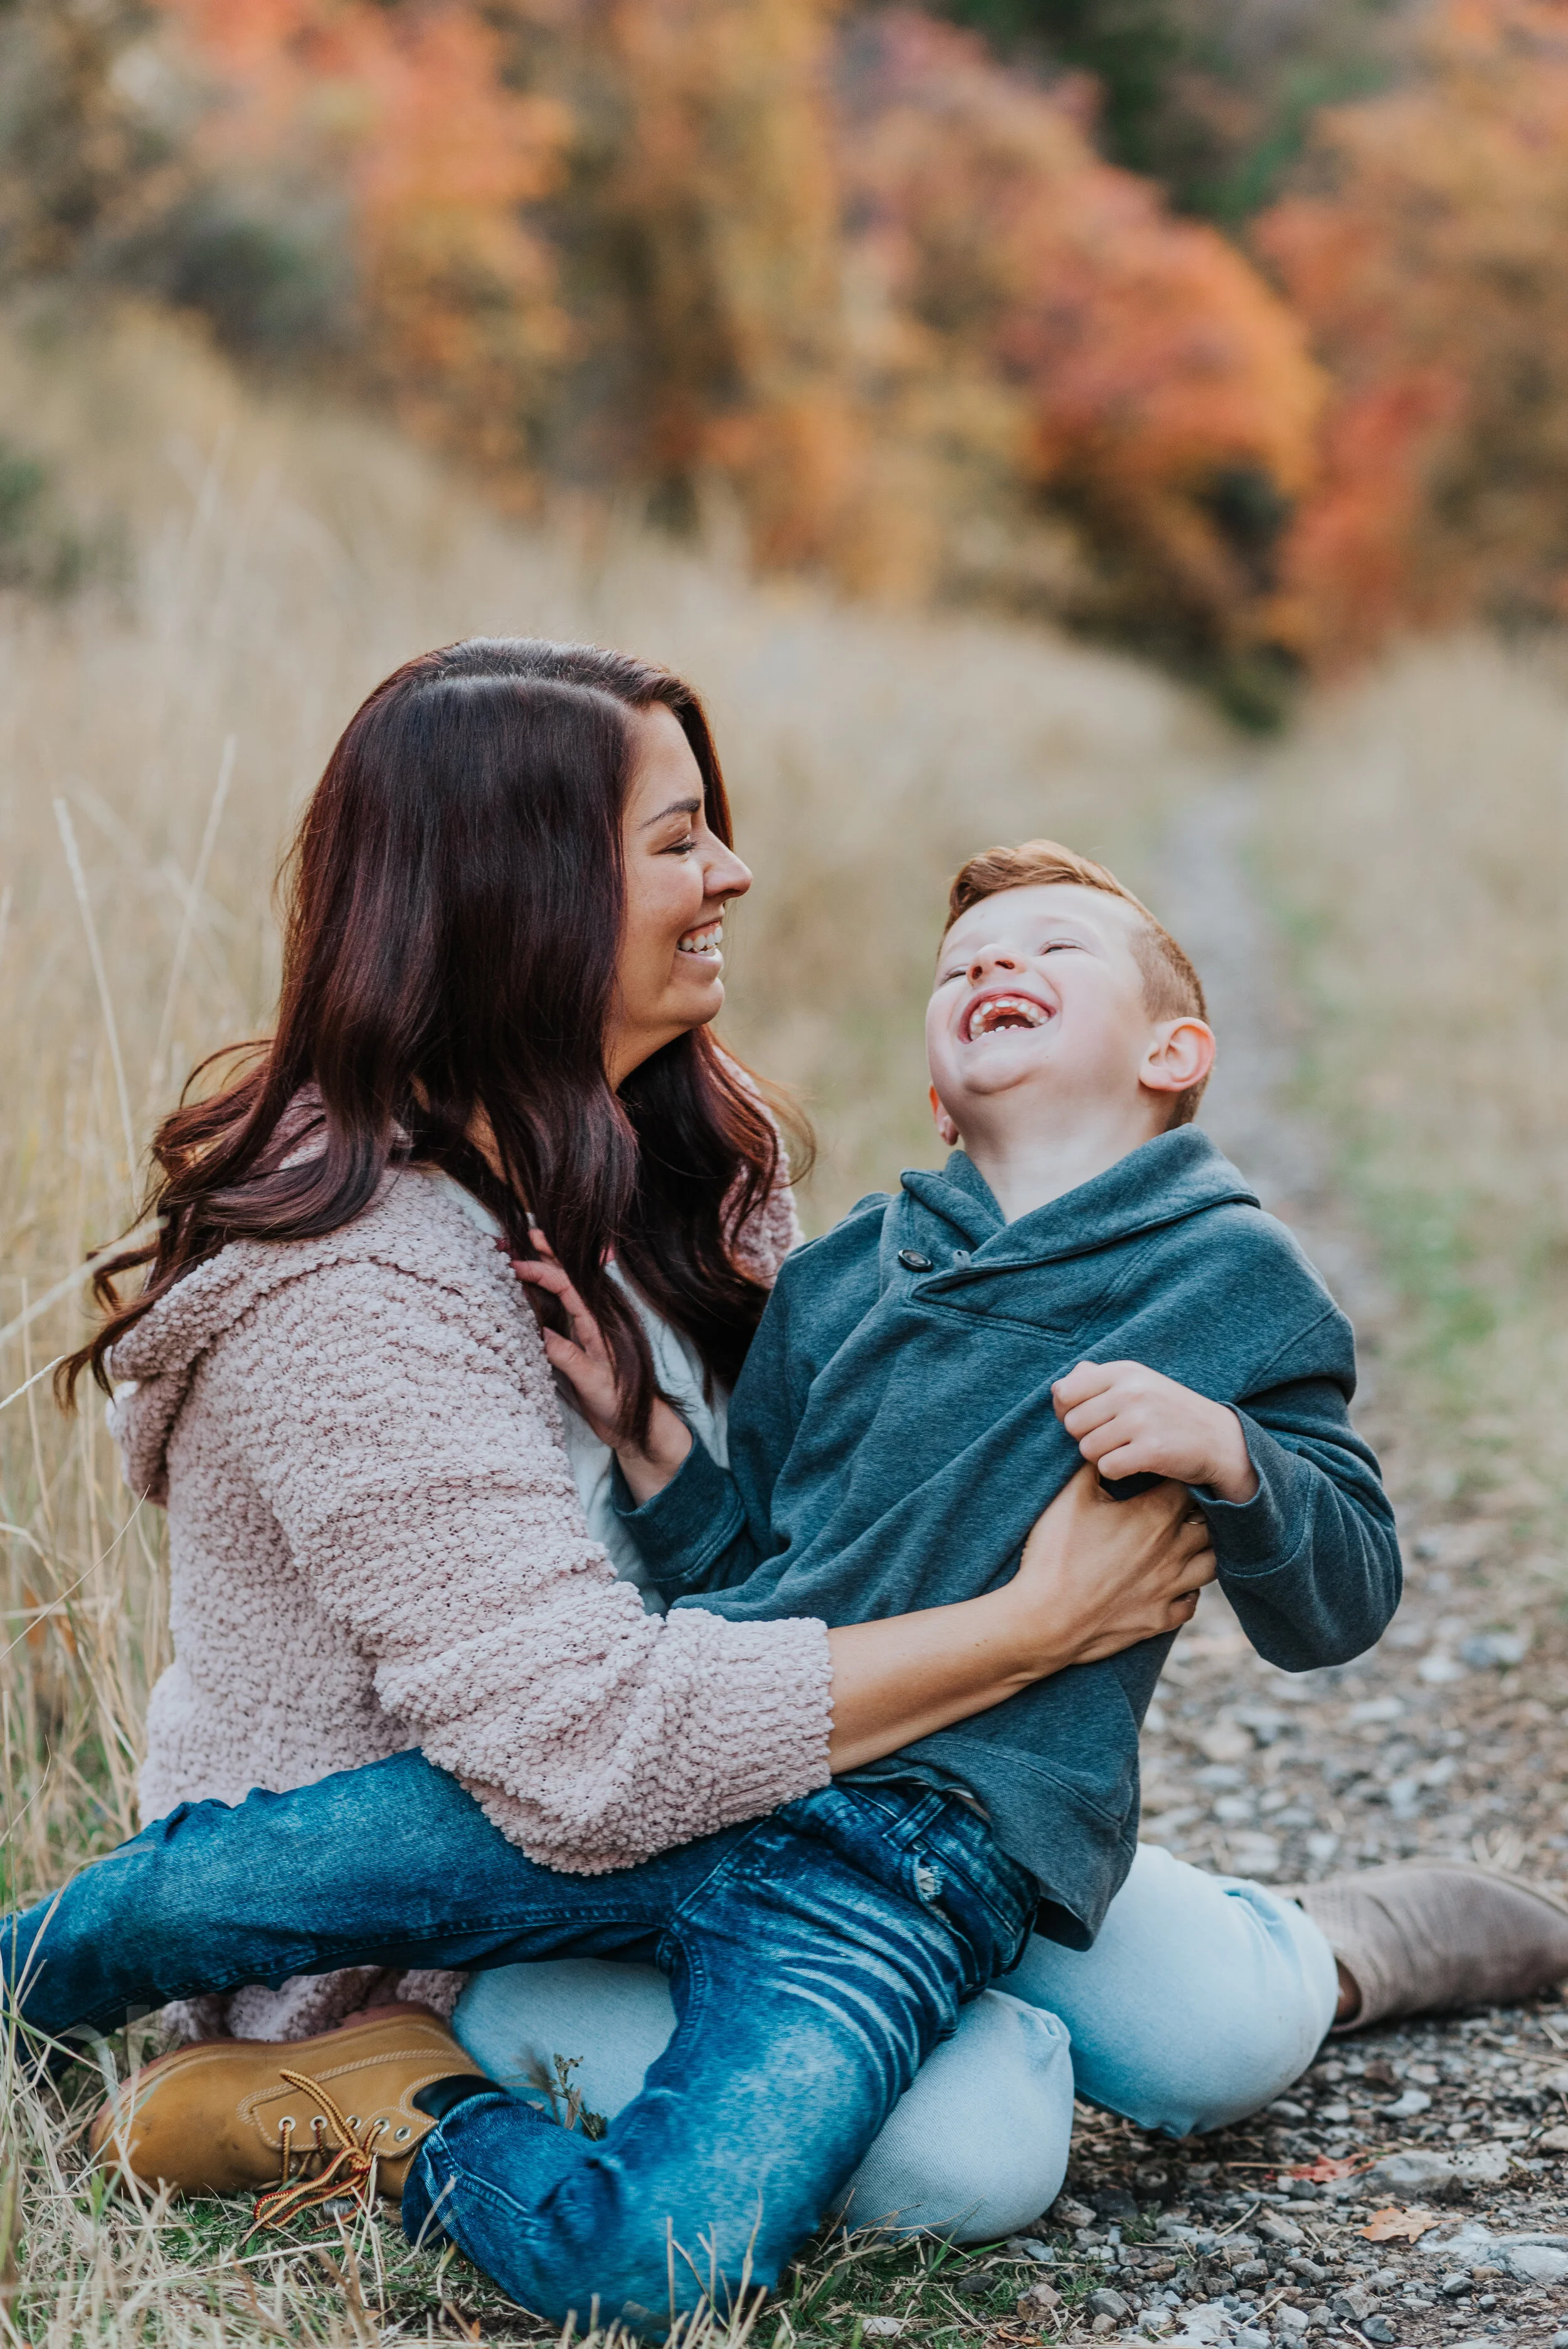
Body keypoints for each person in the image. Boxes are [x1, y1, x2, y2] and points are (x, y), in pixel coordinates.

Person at [12, 641, 1568, 2329]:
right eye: (678, 839)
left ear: (1175, 1054)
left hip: (904, 1810)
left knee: (1216, 2029)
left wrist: (668, 1443)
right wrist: (1035, 1626)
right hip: (583, 1839)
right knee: (975, 2149)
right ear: (526, 893)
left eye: (715, 831)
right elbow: (612, 1723)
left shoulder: (718, 1164)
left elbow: (1312, 1578)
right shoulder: (378, 1291)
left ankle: (1324, 1951)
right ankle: (346, 2095)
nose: (731, 873)